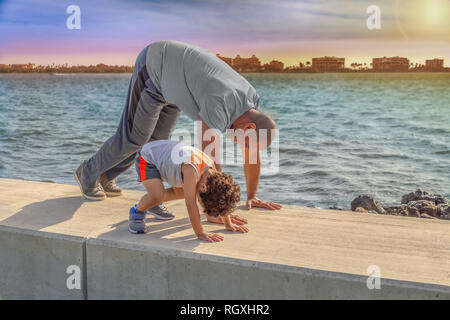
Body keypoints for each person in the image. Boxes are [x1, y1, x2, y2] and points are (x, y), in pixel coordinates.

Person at [74, 40, 282, 220]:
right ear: (248, 127)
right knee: (135, 137)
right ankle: (88, 171)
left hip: (176, 87)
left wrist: (251, 196)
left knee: (155, 147)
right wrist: (214, 208)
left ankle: (110, 177)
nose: (244, 148)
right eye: (245, 143)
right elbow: (208, 159)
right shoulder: (220, 101)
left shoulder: (251, 103)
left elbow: (251, 154)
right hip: (155, 67)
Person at [129, 139, 247, 241]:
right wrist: (200, 233)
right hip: (147, 159)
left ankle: (152, 205)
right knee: (157, 195)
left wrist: (228, 223)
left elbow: (221, 194)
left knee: (182, 192)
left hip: (167, 160)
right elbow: (191, 204)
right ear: (203, 187)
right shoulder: (192, 171)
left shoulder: (212, 175)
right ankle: (137, 211)